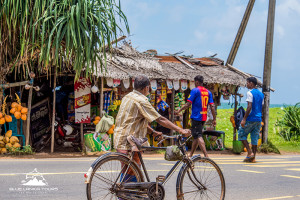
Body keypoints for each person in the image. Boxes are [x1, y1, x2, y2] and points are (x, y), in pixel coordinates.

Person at [113, 75, 191, 181]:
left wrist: (153, 131)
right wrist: (180, 130)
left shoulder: (128, 97)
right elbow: (160, 119)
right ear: (146, 88)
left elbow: (134, 120)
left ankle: (127, 194)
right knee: (133, 170)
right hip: (130, 141)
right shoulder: (142, 100)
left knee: (128, 169)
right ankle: (129, 195)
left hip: (120, 138)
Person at [175, 75, 216, 158]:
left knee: (198, 135)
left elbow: (188, 104)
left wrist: (179, 110)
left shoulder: (195, 90)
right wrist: (214, 119)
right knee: (196, 136)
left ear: (197, 82)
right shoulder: (208, 92)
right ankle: (191, 154)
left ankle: (206, 155)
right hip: (204, 117)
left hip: (196, 116)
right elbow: (212, 106)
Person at [238, 77, 264, 163]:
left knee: (241, 134)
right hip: (258, 119)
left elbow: (249, 106)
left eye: (248, 83)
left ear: (252, 83)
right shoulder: (261, 94)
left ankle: (249, 152)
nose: (247, 84)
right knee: (254, 138)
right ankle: (253, 157)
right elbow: (261, 107)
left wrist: (244, 119)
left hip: (251, 118)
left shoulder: (250, 93)